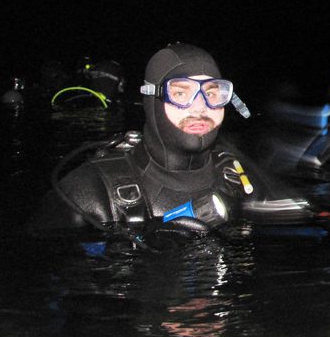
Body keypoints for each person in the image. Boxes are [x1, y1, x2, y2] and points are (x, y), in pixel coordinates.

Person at [30, 44, 254, 240]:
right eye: (181, 93)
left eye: (212, 93)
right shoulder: (87, 192)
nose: (200, 107)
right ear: (151, 100)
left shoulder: (242, 179)